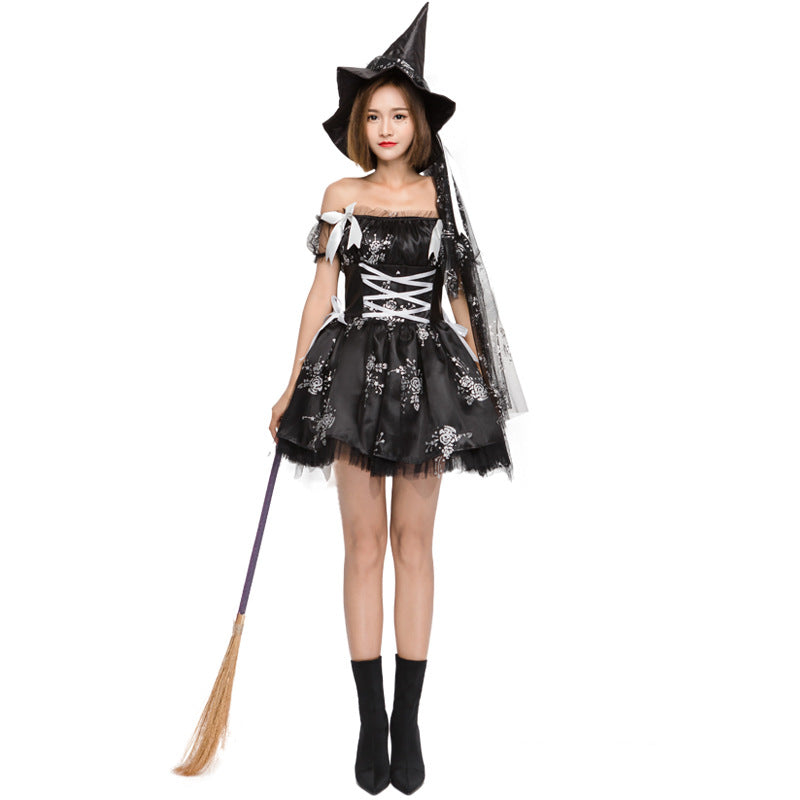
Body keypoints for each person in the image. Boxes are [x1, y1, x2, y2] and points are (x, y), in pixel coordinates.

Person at [268, 4, 528, 794]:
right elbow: (320, 294)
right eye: (374, 115)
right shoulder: (341, 192)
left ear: (420, 126)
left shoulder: (443, 199)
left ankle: (408, 719)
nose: (385, 128)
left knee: (415, 544)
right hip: (352, 376)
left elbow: (462, 303)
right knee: (362, 546)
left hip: (426, 378)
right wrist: (290, 384)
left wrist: (482, 379)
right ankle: (368, 717)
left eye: (399, 115)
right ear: (360, 124)